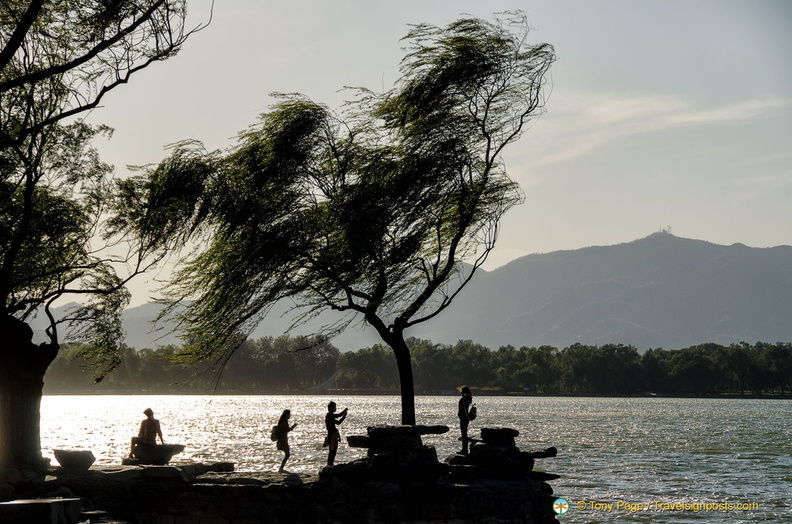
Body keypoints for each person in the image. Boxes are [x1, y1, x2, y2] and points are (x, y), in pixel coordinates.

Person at [323, 401, 348, 467]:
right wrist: (344, 416)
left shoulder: (330, 415)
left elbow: (339, 415)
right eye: (335, 407)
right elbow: (338, 422)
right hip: (332, 436)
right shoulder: (329, 417)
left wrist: (344, 411)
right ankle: (329, 465)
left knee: (333, 451)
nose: (335, 409)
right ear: (331, 408)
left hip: (333, 435)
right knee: (332, 451)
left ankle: (330, 465)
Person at [457, 386, 474, 455]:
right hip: (465, 418)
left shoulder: (464, 399)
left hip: (464, 418)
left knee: (464, 434)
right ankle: (464, 449)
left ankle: (464, 449)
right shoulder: (468, 399)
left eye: (462, 391)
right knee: (464, 433)